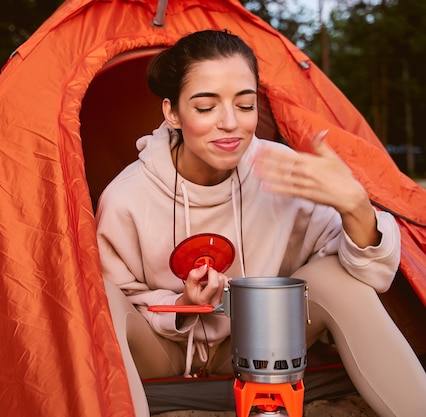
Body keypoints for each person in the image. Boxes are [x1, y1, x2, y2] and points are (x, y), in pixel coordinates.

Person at [95, 29, 426, 417]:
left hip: (264, 349)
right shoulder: (126, 197)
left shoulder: (281, 171)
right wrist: (182, 305)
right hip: (162, 354)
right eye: (206, 108)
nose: (231, 123)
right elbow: (122, 295)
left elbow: (372, 278)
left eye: (246, 105)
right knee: (97, 294)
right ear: (172, 113)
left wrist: (356, 207)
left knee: (335, 276)